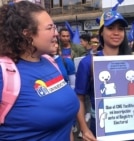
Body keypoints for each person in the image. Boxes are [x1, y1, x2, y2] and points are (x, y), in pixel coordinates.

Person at [0, 1, 79, 140]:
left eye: (55, 27)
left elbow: (65, 123)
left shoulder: (51, 62)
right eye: (50, 28)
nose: (56, 34)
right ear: (27, 34)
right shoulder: (4, 74)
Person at [75, 10, 134, 141]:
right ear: (101, 32)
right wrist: (84, 129)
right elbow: (79, 99)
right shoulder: (88, 62)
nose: (116, 33)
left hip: (129, 128)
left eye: (120, 29)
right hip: (101, 128)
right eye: (110, 28)